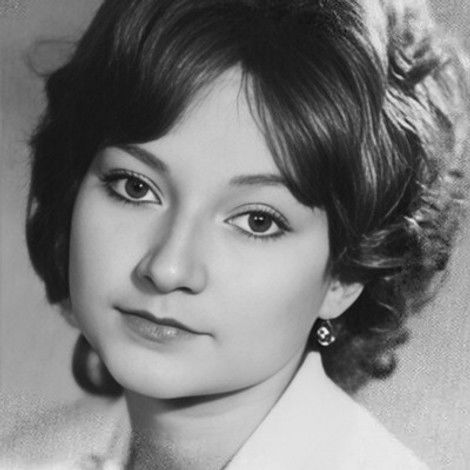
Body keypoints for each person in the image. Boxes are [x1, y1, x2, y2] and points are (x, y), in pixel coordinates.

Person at [1, 0, 468, 468]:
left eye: (257, 221)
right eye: (135, 187)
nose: (167, 269)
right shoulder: (33, 457)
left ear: (347, 275)